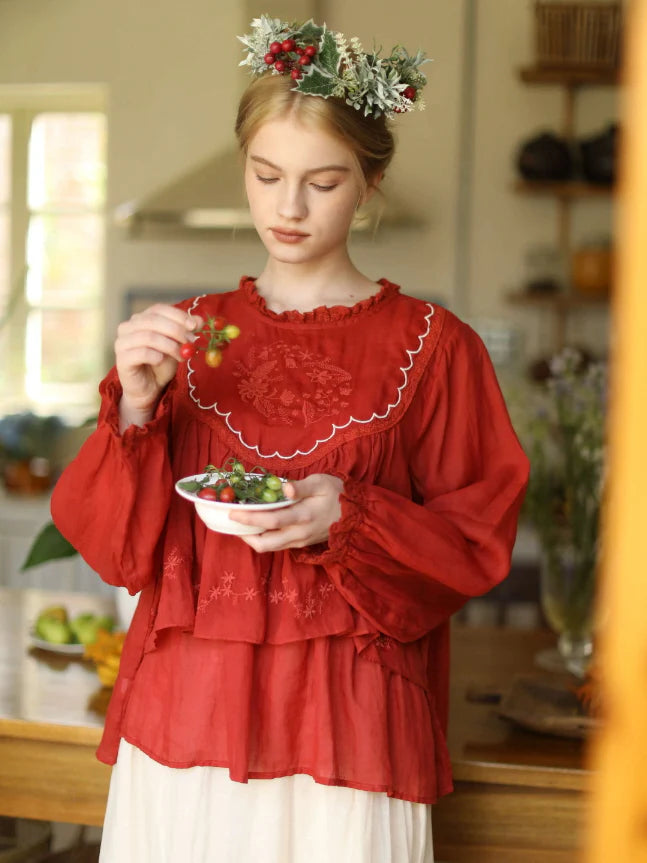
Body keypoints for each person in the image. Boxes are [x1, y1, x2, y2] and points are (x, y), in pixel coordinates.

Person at [52, 15, 529, 863]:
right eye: (266, 175)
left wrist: (350, 515)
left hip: (352, 731)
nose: (289, 206)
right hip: (182, 722)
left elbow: (476, 541)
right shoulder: (184, 339)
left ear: (369, 183)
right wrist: (131, 407)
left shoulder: (434, 346)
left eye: (324, 180)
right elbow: (118, 550)